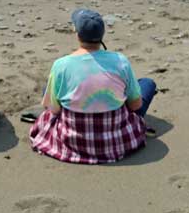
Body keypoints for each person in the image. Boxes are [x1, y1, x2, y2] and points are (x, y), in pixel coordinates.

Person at [30, 9, 156, 164]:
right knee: (147, 84)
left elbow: (54, 110)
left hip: (74, 139)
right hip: (116, 138)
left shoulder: (61, 65)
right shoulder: (120, 61)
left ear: (76, 32)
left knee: (50, 91)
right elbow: (136, 105)